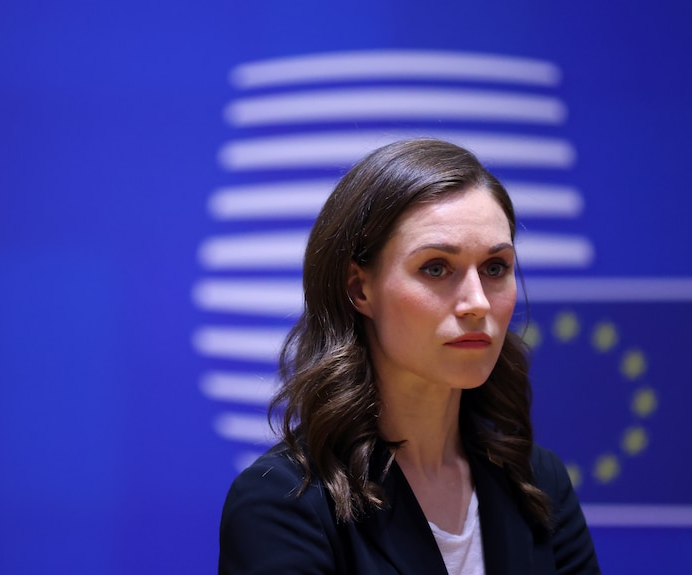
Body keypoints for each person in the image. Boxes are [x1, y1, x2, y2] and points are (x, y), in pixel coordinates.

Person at [218, 139, 600, 574]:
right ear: (360, 289)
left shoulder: (537, 480)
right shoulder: (284, 503)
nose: (477, 302)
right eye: (436, 267)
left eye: (495, 268)